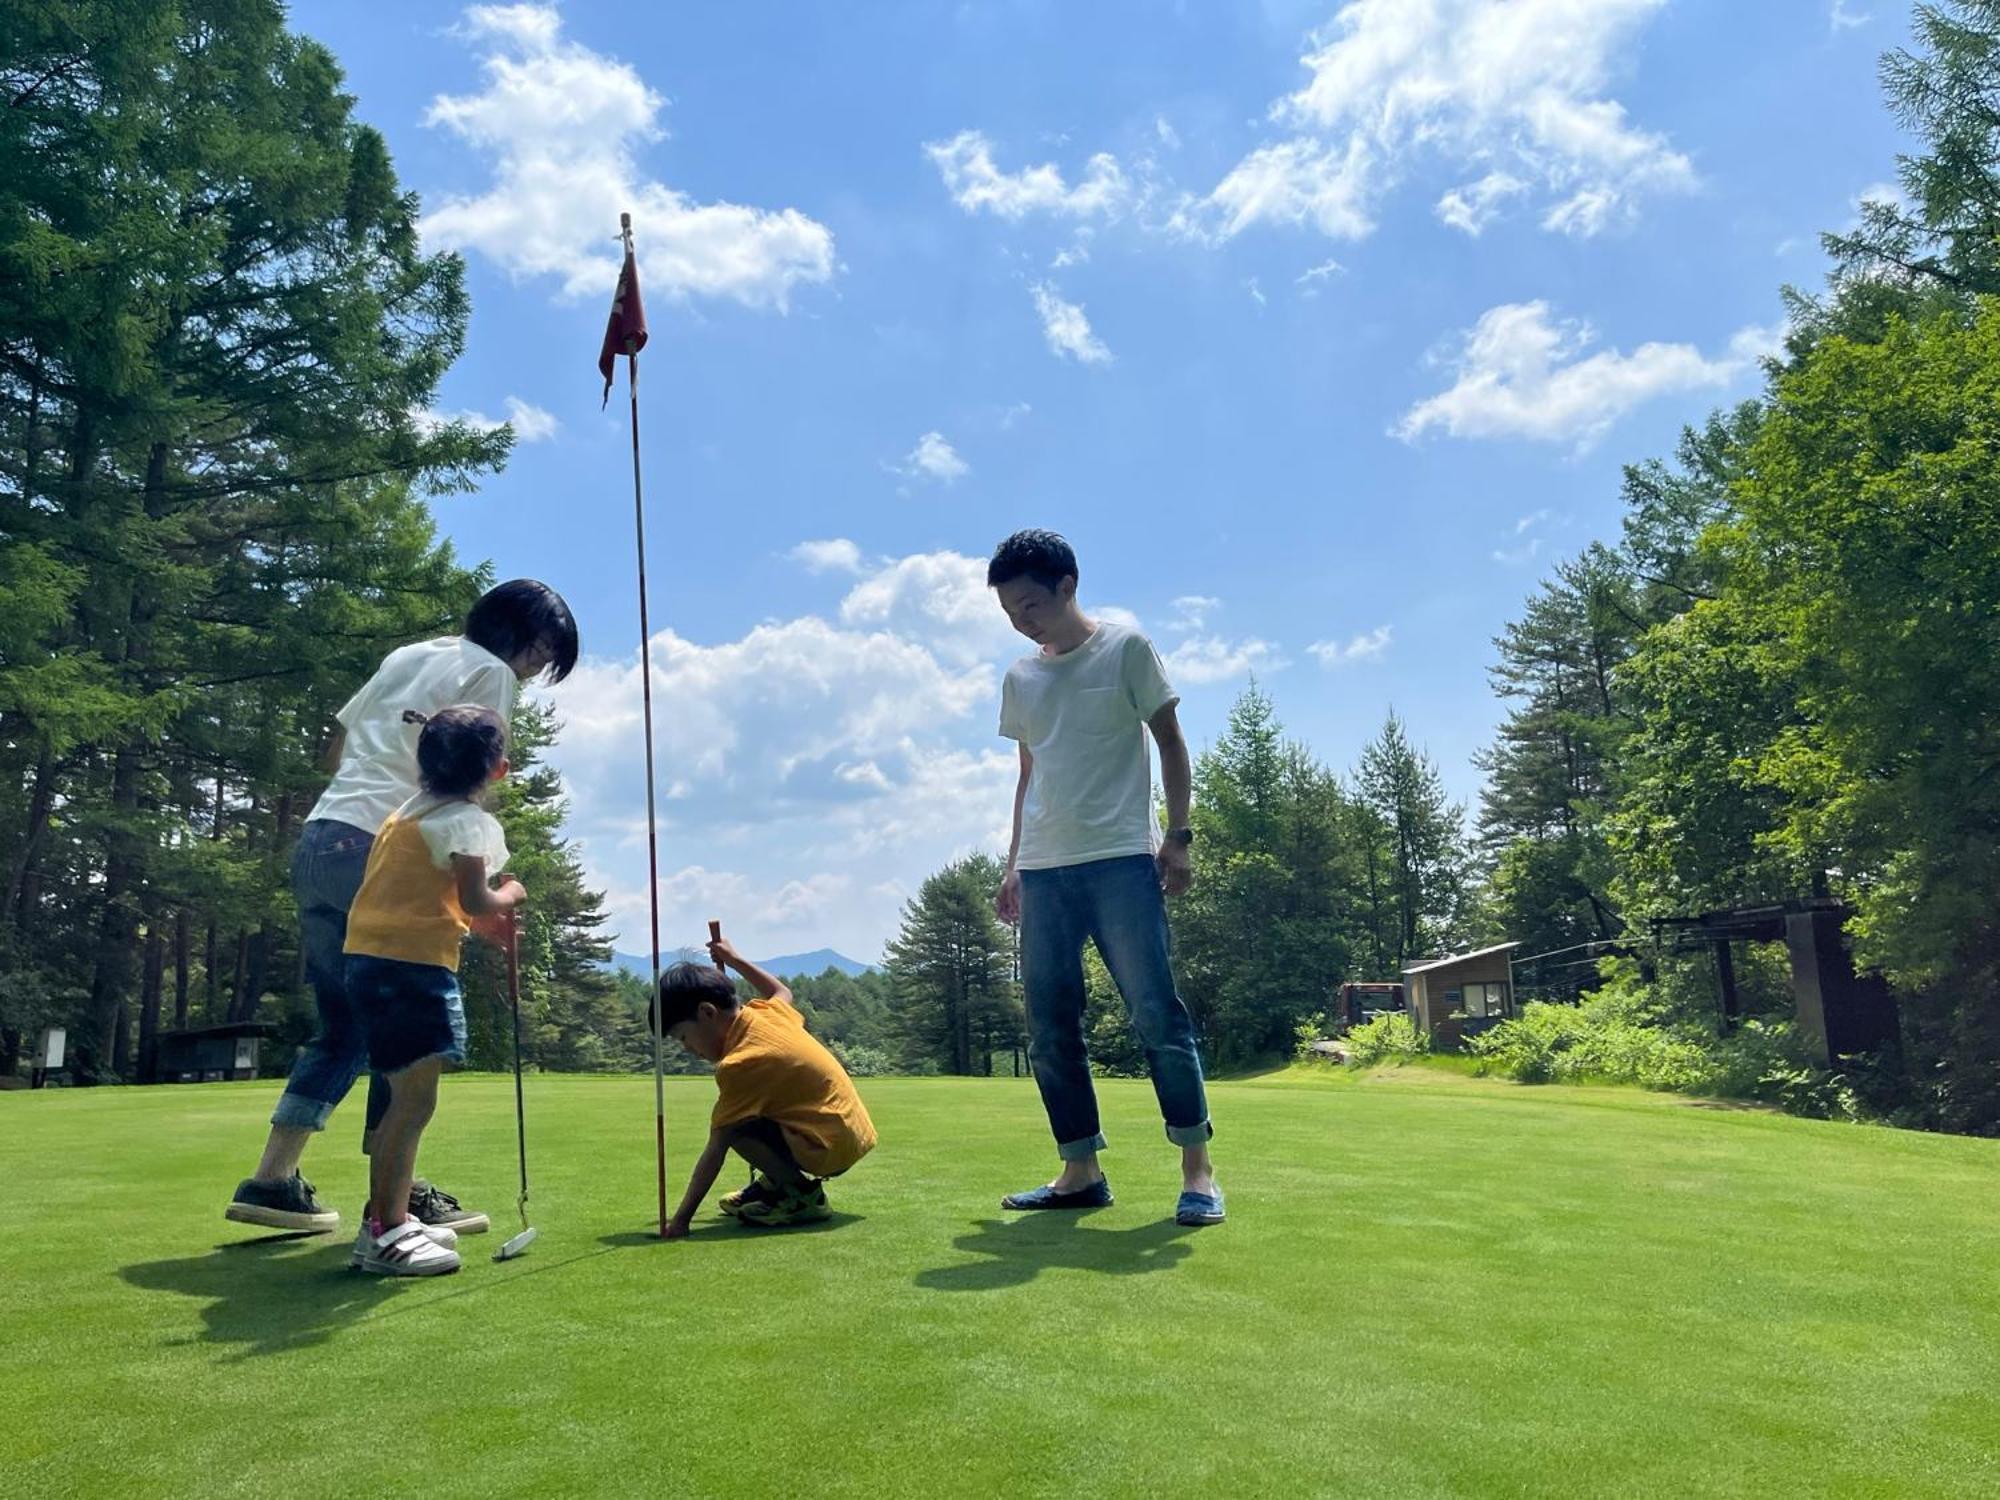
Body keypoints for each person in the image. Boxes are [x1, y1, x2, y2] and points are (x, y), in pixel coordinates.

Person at [225, 580, 576, 1236]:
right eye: (541, 654)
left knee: (344, 1028)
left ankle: (272, 1180)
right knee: (405, 1022)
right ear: (521, 640)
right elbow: (474, 782)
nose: (533, 671)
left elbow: (336, 748)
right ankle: (395, 1197)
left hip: (323, 837)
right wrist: (485, 874)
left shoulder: (409, 654)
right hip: (390, 849)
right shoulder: (492, 672)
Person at [987, 529, 1223, 1226]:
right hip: (1046, 871)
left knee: (1158, 1017)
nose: (1022, 622)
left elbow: (1172, 743)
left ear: (1067, 586)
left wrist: (1177, 839)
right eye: (1009, 613)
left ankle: (1199, 1172)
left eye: (1031, 605)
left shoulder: (1127, 650)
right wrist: (1013, 864)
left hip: (1122, 859)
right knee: (1051, 1029)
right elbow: (1029, 774)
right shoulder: (1020, 677)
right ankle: (1080, 1169)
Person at [344, 704, 525, 1276]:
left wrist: (476, 923)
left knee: (403, 1097)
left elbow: (428, 894)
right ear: (497, 770)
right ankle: (385, 1231)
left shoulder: (405, 814)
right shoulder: (466, 823)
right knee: (414, 1101)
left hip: (369, 962)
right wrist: (511, 896)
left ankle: (389, 1218)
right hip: (413, 969)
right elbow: (477, 899)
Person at [656, 934, 877, 1238]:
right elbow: (780, 990)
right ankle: (775, 1186)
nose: (687, 1048)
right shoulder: (766, 1014)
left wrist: (681, 1220)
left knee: (736, 1129)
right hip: (852, 1133)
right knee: (748, 1115)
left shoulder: (741, 1063)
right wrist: (734, 960)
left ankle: (802, 1197)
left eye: (683, 1037)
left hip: (829, 1150)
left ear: (708, 1013)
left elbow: (717, 1147)